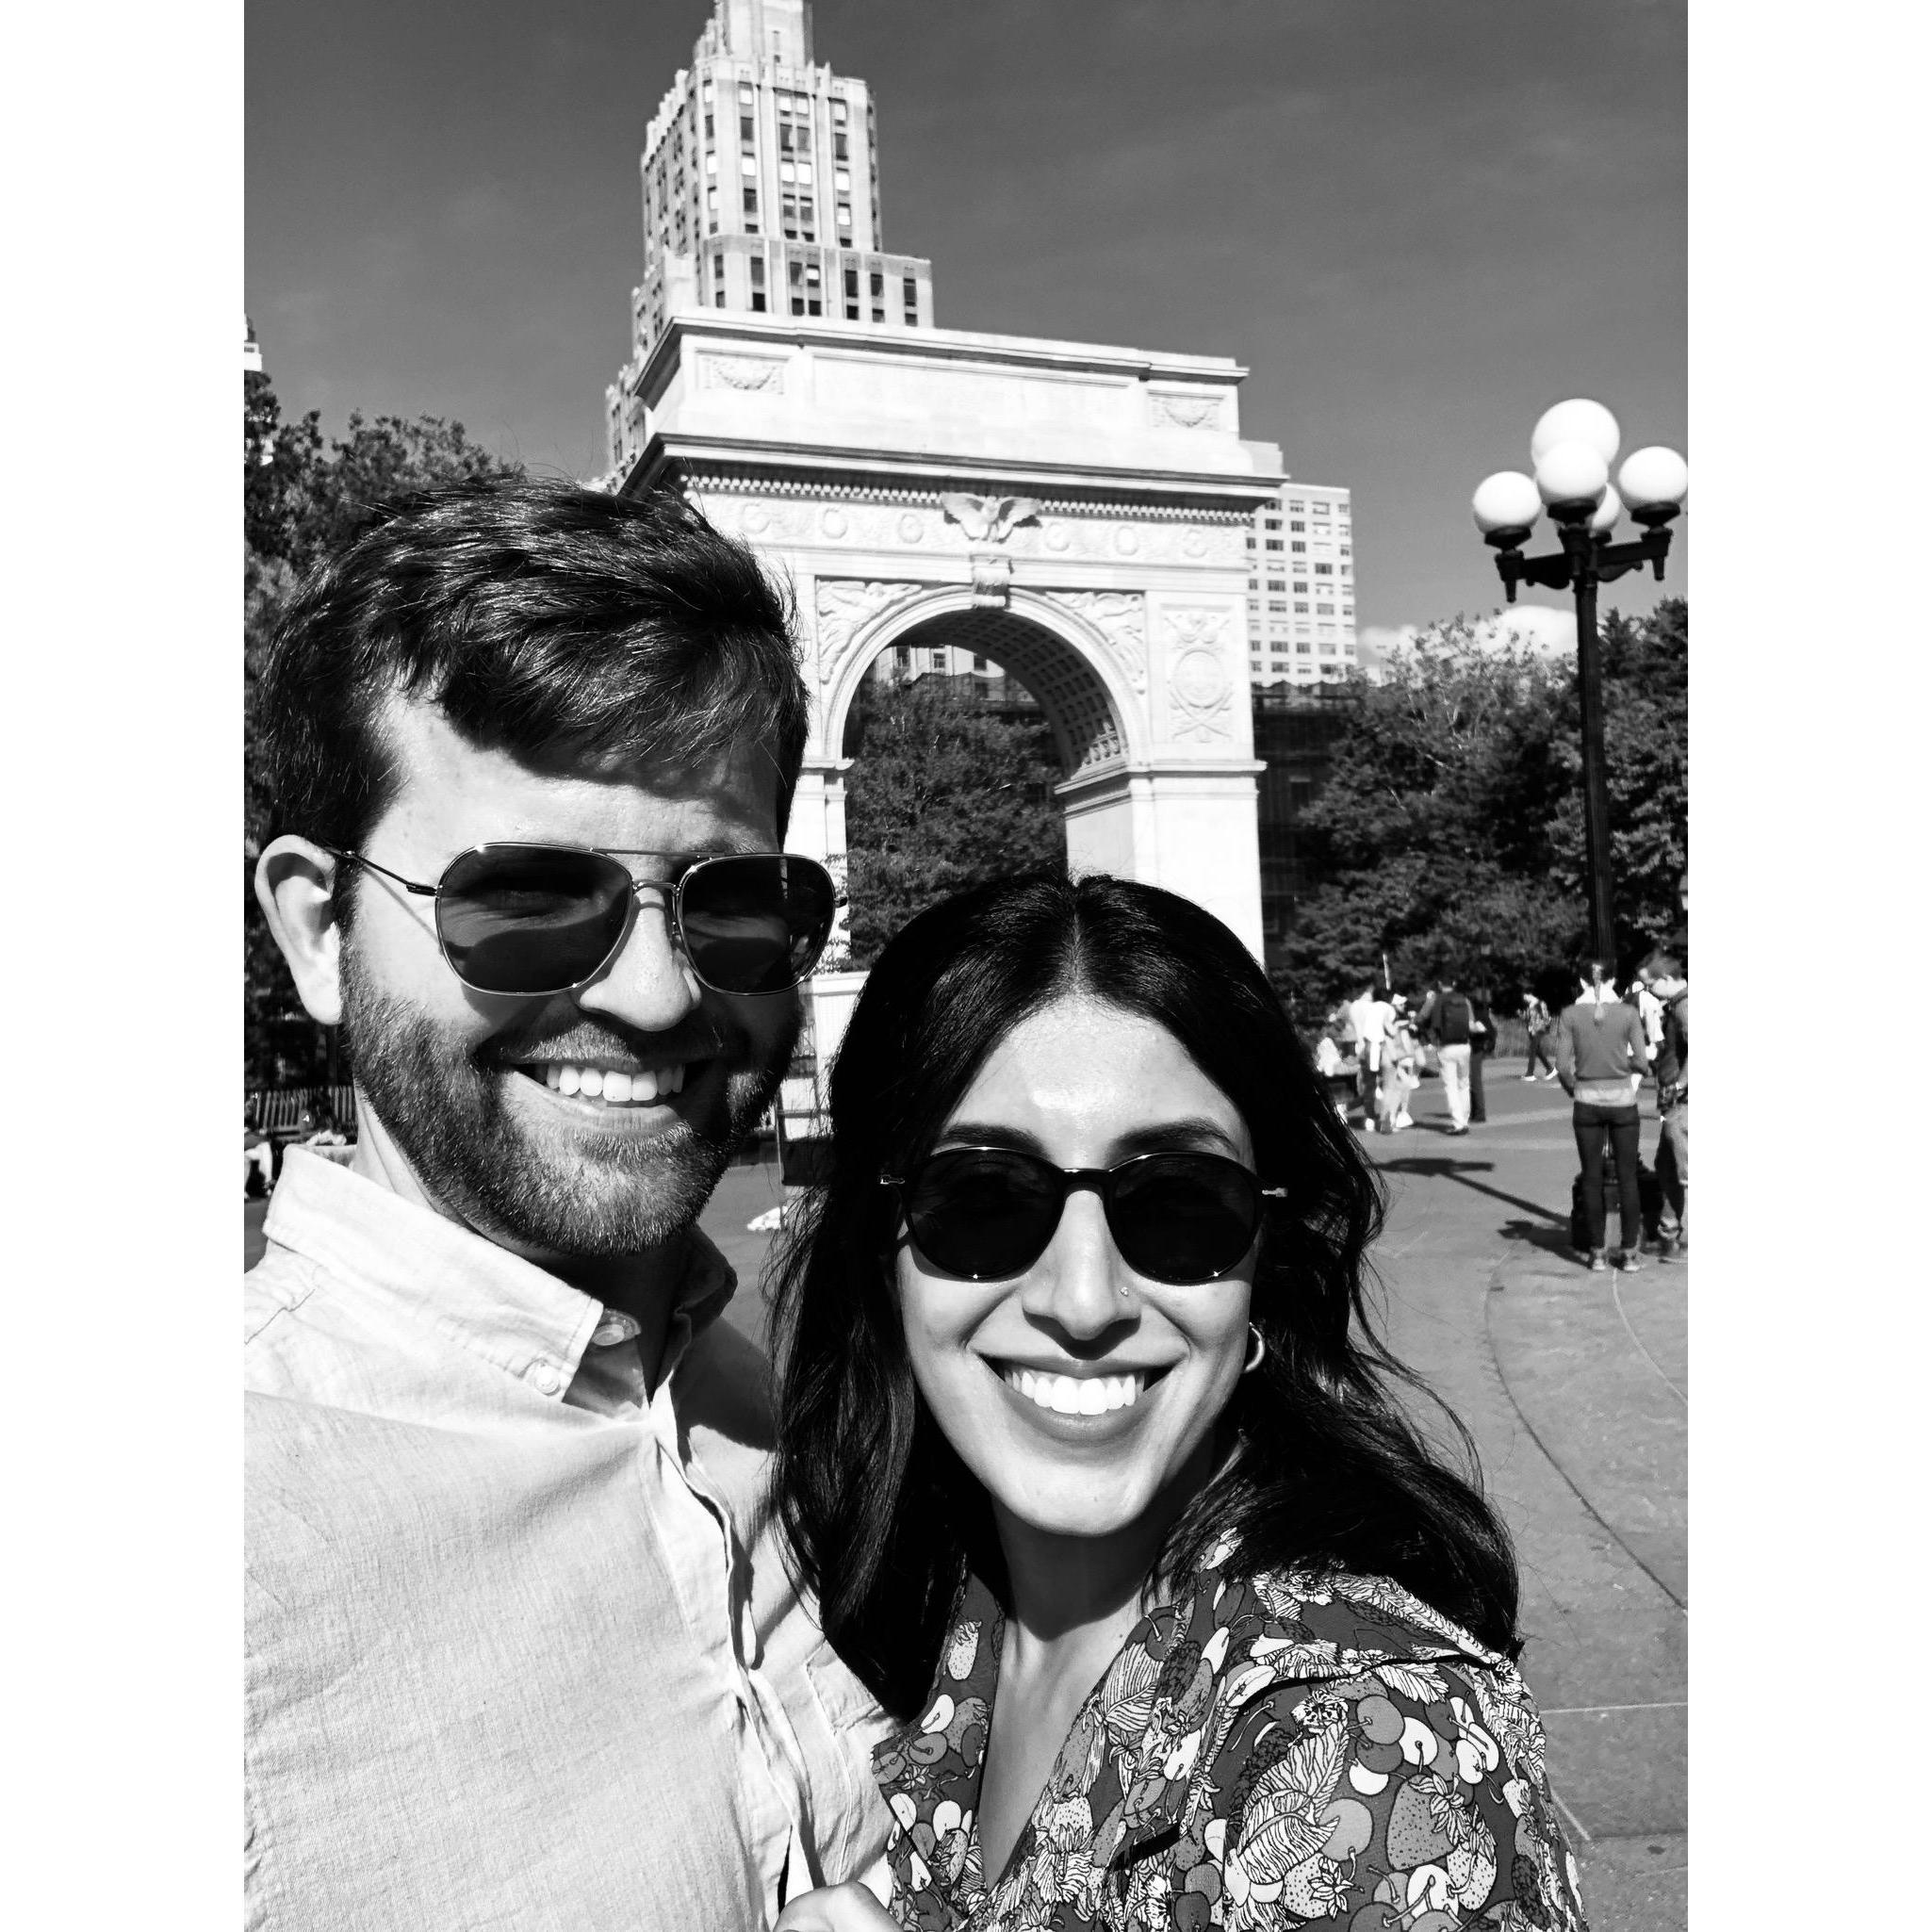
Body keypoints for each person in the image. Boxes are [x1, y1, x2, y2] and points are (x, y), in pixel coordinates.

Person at [245, 478, 891, 1927]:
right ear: (313, 927)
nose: (660, 992)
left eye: (733, 901)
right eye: (528, 900)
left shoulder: (754, 1395)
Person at [767, 875, 1587, 1932]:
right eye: (981, 1199)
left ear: (1266, 1261)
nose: (1083, 1298)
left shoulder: (1359, 1756)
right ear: (881, 1256)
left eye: (1178, 1205)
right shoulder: (931, 1598)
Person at [1554, 956, 1651, 1271]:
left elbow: (1561, 1066)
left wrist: (1576, 1088)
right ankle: (1628, 1254)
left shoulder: (1569, 1015)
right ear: (1613, 981)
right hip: (1623, 1103)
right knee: (1628, 1178)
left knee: (1592, 1177)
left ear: (1582, 981)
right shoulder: (1627, 1013)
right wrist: (1623, 1065)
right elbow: (1641, 1062)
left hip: (1587, 1103)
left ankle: (1596, 1253)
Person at [1637, 950, 1689, 1261]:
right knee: (1668, 1165)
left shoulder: (1685, 1008)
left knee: (1680, 1168)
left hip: (1681, 1101)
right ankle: (1668, 1234)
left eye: (1650, 985)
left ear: (1667, 979)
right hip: (1676, 1099)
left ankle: (1670, 1235)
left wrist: (1680, 1085)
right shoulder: (1678, 1006)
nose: (1648, 992)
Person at [1416, 973, 1477, 1135]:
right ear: (1455, 983)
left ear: (1440, 984)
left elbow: (1421, 1018)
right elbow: (1471, 1025)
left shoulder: (1435, 999)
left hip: (1445, 1047)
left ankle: (1458, 1123)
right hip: (1464, 1046)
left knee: (1450, 1086)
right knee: (1464, 1084)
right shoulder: (1465, 1000)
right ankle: (1465, 1118)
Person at [1344, 979, 1389, 1129]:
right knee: (1380, 1083)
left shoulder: (1354, 1006)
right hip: (1375, 1047)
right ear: (1370, 990)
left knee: (1368, 1084)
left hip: (1360, 1047)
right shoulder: (1372, 1007)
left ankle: (1367, 1113)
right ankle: (1369, 1114)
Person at [1467, 982, 1495, 1124]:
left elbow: (1490, 1032)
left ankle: (1478, 1112)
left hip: (1474, 1047)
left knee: (1474, 1081)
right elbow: (1492, 1033)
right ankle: (1475, 1111)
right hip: (1478, 1048)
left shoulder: (1477, 1013)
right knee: (1474, 1080)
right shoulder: (1483, 1013)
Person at [1520, 991, 1558, 1081]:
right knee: (1537, 1050)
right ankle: (1550, 1069)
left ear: (1530, 994)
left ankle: (1530, 1074)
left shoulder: (1540, 1003)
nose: (1525, 998)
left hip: (1540, 1030)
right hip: (1533, 1031)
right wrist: (1523, 1016)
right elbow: (1530, 1018)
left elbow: (1545, 1017)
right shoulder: (1530, 1005)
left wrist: (1542, 1026)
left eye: (1526, 996)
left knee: (1533, 1049)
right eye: (1524, 997)